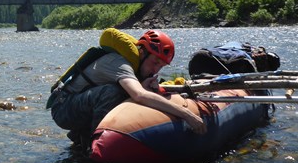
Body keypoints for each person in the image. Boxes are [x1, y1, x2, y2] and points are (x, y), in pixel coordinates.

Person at [47, 29, 206, 150]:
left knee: (119, 92)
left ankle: (81, 135)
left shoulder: (135, 65)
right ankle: (94, 147)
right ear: (142, 52)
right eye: (155, 62)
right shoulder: (120, 62)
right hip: (63, 108)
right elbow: (139, 95)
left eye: (161, 66)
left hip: (76, 104)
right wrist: (187, 114)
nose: (156, 70)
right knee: (112, 93)